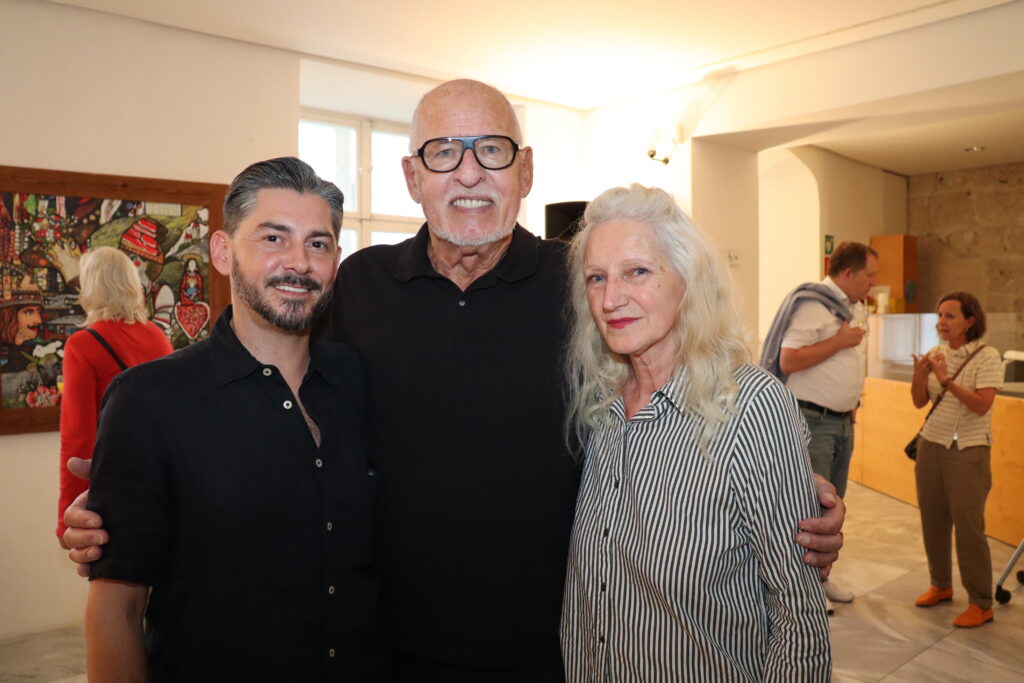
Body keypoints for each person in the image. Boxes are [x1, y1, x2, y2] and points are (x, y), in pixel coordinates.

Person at [65, 80, 845, 681]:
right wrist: (138, 482)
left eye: (493, 150)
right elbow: (260, 363)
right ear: (412, 175)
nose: (469, 173)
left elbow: (667, 391)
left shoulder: (581, 288)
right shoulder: (357, 286)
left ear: (526, 170)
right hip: (383, 652)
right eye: (443, 151)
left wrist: (779, 477)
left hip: (554, 653)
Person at [84, 157, 381, 682]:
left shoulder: (360, 382)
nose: (299, 263)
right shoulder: (148, 401)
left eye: (318, 243)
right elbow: (116, 609)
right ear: (222, 252)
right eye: (273, 238)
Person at [561, 184, 831, 681]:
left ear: (687, 278)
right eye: (596, 278)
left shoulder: (750, 405)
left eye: (637, 271)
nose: (611, 298)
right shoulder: (598, 406)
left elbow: (799, 610)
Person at [759, 240, 878, 609]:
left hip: (841, 422)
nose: (872, 284)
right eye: (869, 276)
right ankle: (802, 589)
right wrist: (840, 341)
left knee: (832, 507)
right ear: (848, 273)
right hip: (815, 420)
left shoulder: (847, 307)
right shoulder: (814, 303)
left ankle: (821, 580)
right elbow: (790, 359)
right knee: (809, 510)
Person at [56, 246, 173, 541]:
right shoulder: (158, 336)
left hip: (118, 492)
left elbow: (78, 437)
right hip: (166, 485)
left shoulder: (83, 344)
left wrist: (68, 518)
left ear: (91, 286)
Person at [910, 291, 1002, 628]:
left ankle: (981, 602)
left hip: (969, 450)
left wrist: (946, 378)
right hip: (931, 445)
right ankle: (941, 585)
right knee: (933, 521)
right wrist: (921, 375)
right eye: (939, 316)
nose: (941, 322)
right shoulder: (936, 353)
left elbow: (981, 404)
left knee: (968, 528)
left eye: (950, 316)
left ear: (970, 320)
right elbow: (920, 402)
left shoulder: (987, 356)